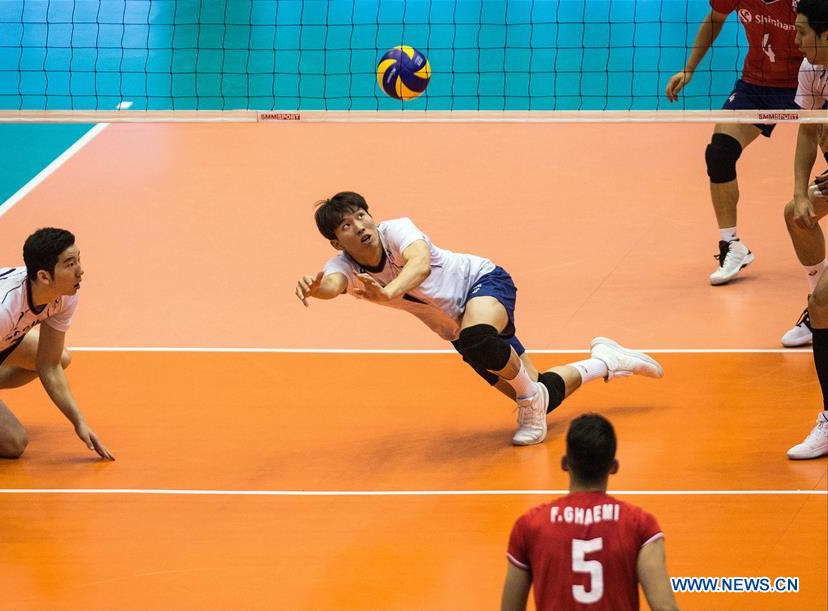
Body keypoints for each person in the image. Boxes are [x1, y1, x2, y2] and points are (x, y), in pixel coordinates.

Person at [295, 192, 663, 446]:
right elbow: (333, 284)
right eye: (346, 226)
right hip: (455, 328)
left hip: (483, 283)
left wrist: (388, 292)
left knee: (479, 339)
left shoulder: (397, 230)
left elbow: (420, 264)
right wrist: (316, 289)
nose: (359, 226)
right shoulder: (344, 265)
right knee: (538, 392)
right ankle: (605, 361)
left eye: (361, 215)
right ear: (336, 243)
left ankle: (530, 407)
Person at [0, 228, 115, 477]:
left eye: (78, 260)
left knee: (61, 357)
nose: (80, 270)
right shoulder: (1, 311)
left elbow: (48, 364)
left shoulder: (64, 295)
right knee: (12, 443)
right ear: (44, 276)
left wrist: (78, 421)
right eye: (70, 264)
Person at [666, 1, 804, 285]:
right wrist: (689, 69)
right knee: (719, 153)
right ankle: (731, 244)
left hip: (808, 80)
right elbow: (715, 19)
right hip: (757, 85)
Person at [501, 413, 679, 611]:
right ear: (614, 467)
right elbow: (665, 607)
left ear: (564, 464)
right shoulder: (641, 525)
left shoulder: (530, 526)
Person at [782, 0, 828, 460]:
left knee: (824, 302)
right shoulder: (813, 69)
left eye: (801, 32)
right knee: (794, 213)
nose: (795, 41)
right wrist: (800, 192)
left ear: (826, 34)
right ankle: (820, 303)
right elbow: (807, 130)